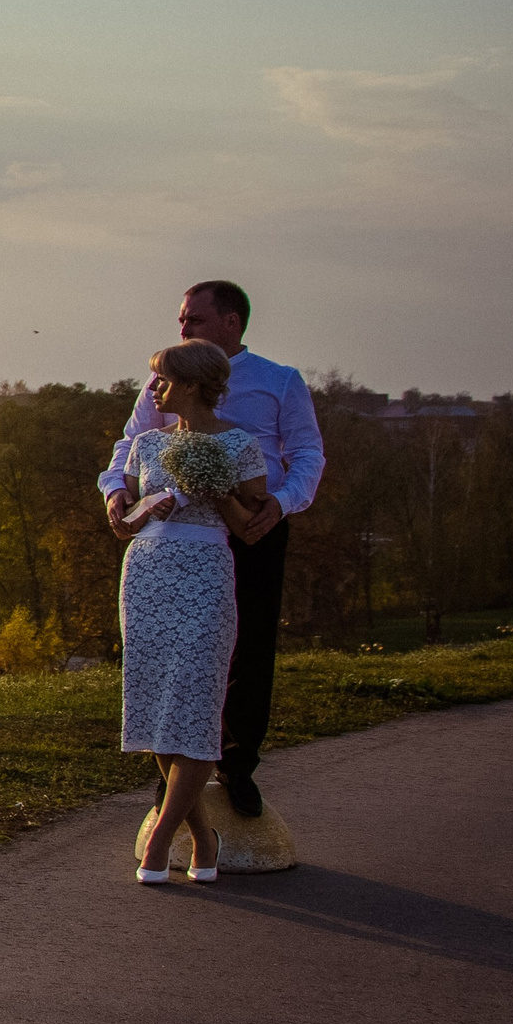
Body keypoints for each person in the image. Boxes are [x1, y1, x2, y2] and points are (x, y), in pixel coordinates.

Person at [97, 281, 324, 815]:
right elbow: (132, 442)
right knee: (175, 649)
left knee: (249, 646)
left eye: (193, 319)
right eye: (181, 319)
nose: (182, 327)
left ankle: (237, 765)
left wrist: (282, 503)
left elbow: (307, 451)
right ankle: (175, 777)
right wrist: (116, 492)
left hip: (258, 519)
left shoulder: (279, 381)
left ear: (231, 321)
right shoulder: (164, 378)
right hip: (176, 531)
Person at [108, 341, 272, 882]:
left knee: (197, 705)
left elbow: (250, 524)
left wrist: (216, 489)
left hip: (205, 572)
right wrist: (126, 513)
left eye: (163, 379)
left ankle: (159, 840)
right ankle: (204, 838)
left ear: (197, 385)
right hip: (147, 574)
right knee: (159, 706)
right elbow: (129, 512)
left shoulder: (241, 445)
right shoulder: (148, 444)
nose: (154, 389)